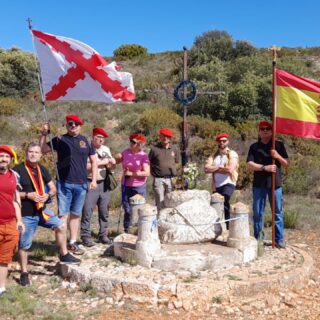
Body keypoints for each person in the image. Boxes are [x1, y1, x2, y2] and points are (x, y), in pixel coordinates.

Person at [14, 143, 80, 286]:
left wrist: (47, 194)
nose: (33, 154)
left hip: (42, 210)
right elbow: (11, 192)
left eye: (36, 152)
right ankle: (24, 272)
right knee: (24, 244)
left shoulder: (42, 169)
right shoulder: (17, 170)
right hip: (26, 213)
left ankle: (64, 254)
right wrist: (27, 195)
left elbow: (53, 188)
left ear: (40, 155)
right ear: (26, 153)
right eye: (30, 152)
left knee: (61, 225)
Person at [39, 114, 97, 255]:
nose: (73, 126)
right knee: (63, 215)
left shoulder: (86, 141)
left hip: (81, 183)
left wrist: (94, 179)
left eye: (76, 124)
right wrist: (43, 135)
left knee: (76, 214)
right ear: (66, 125)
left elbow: (94, 161)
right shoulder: (60, 139)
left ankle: (72, 242)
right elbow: (42, 149)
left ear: (80, 125)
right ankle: (62, 245)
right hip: (64, 183)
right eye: (70, 124)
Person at [247, 121, 289, 248]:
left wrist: (277, 156)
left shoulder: (278, 145)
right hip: (259, 185)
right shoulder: (254, 147)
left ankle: (279, 239)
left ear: (272, 131)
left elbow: (286, 163)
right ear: (259, 132)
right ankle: (259, 237)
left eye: (268, 128)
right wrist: (265, 168)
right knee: (258, 213)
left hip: (275, 185)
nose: (265, 131)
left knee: (277, 213)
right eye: (262, 129)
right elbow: (249, 165)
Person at [81, 128, 116, 247]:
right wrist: (102, 162)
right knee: (87, 210)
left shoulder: (106, 149)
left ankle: (103, 234)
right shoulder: (87, 148)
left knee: (104, 211)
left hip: (104, 182)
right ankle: (85, 235)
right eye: (98, 137)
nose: (101, 140)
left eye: (103, 138)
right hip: (90, 182)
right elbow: (85, 166)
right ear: (93, 137)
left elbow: (110, 166)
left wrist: (112, 163)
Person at [0, 146, 25, 296]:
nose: (3, 159)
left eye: (6, 157)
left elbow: (16, 200)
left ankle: (1, 288)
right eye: (1, 156)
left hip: (10, 223)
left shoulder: (14, 175)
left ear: (10, 160)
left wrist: (19, 220)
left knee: (4, 258)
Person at [116, 134, 150, 233]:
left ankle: (138, 230)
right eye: (131, 141)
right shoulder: (125, 152)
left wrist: (131, 173)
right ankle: (127, 230)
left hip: (139, 186)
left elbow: (147, 172)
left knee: (138, 209)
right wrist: (115, 157)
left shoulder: (143, 156)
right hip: (126, 184)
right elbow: (117, 160)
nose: (132, 144)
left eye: (135, 142)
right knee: (127, 209)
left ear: (140, 144)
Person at [204, 133, 239, 229]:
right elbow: (206, 169)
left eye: (224, 141)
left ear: (227, 141)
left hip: (229, 183)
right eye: (220, 141)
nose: (222, 142)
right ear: (217, 142)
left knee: (225, 201)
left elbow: (230, 170)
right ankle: (217, 227)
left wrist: (215, 169)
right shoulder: (214, 155)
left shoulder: (232, 154)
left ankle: (227, 227)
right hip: (216, 185)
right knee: (216, 204)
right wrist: (218, 167)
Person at [149, 128, 180, 212]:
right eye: (163, 136)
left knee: (171, 201)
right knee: (160, 202)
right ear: (160, 137)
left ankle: (169, 221)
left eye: (167, 137)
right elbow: (149, 163)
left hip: (171, 179)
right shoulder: (154, 149)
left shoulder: (174, 149)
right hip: (159, 179)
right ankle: (159, 222)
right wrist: (153, 174)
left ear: (170, 138)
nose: (165, 138)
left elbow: (177, 162)